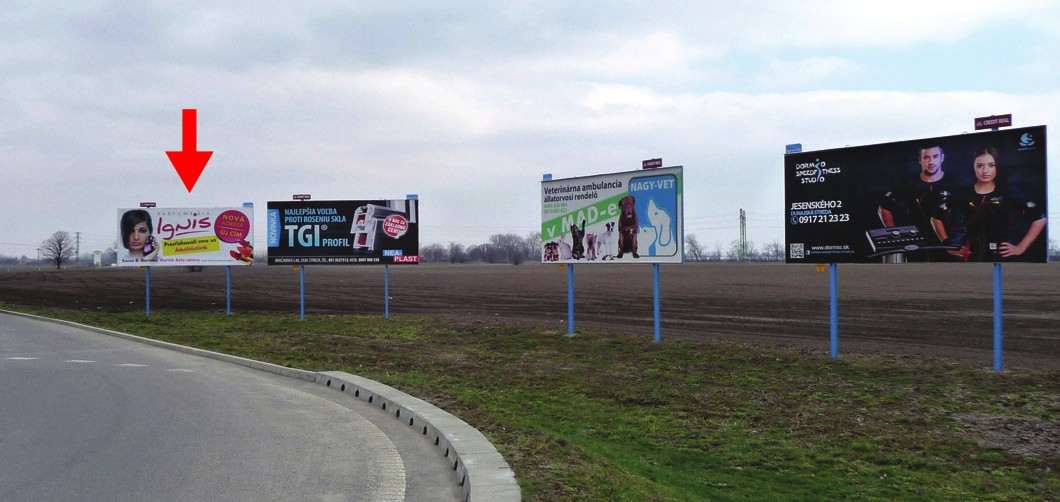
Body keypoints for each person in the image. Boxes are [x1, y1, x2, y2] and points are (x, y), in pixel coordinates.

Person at [930, 147, 1046, 262]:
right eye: (980, 166)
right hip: (971, 256)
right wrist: (947, 245)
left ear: (997, 166)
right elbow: (935, 218)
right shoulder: (962, 193)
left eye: (991, 165)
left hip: (1003, 256)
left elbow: (1040, 219)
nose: (985, 171)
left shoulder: (1009, 191)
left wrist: (1021, 247)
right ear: (973, 167)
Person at [877, 144, 956, 260]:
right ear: (920, 160)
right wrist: (895, 236)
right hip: (916, 248)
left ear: (942, 158)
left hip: (946, 247)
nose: (931, 161)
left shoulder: (955, 182)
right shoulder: (908, 183)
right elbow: (884, 207)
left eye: (935, 156)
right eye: (926, 157)